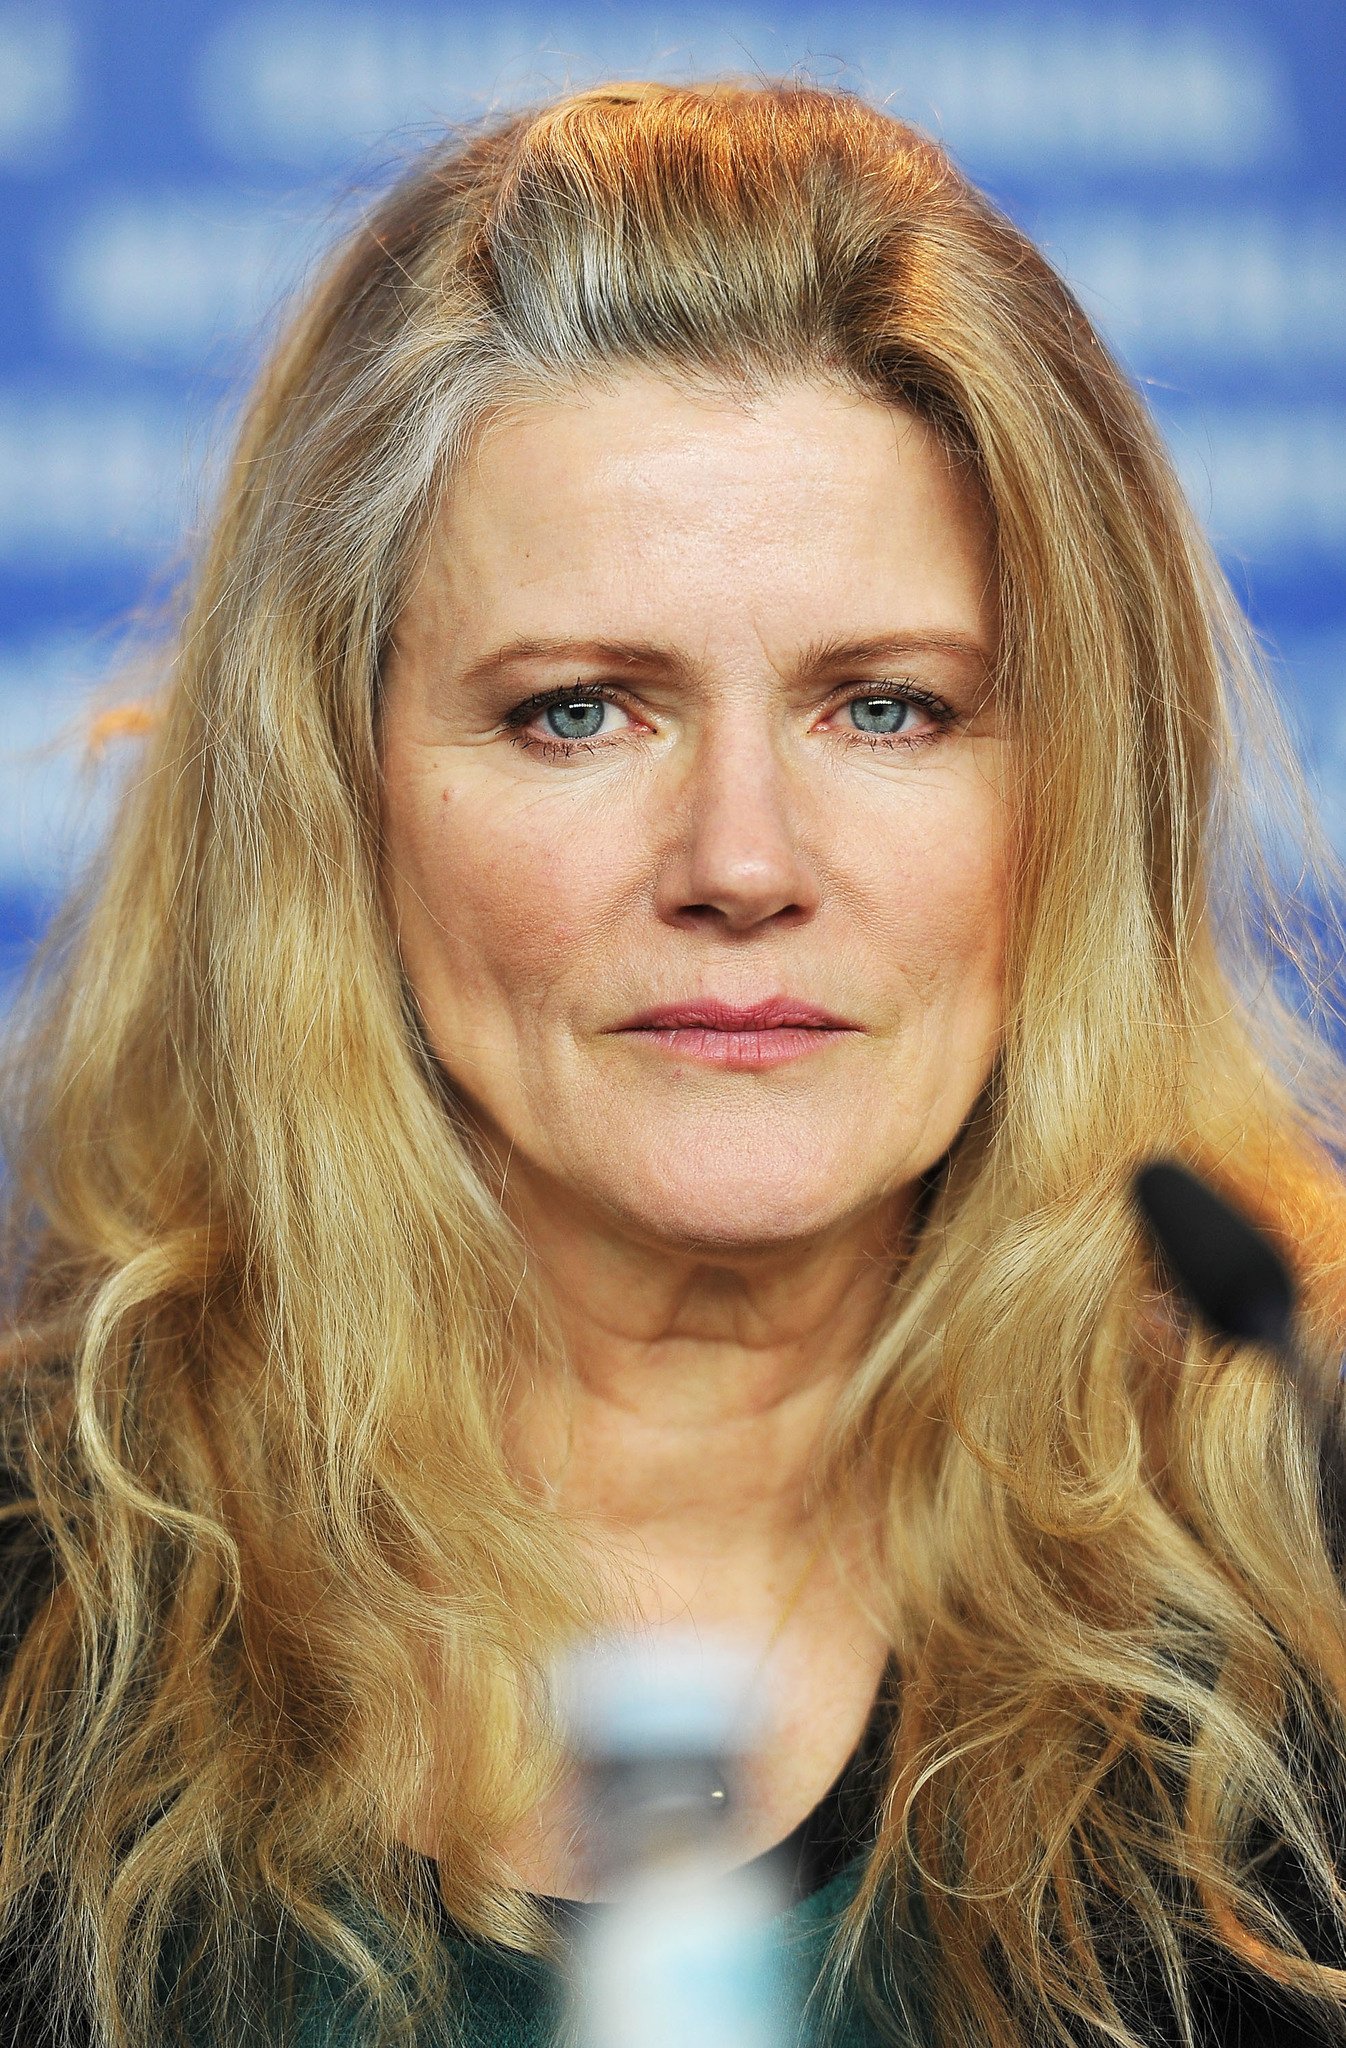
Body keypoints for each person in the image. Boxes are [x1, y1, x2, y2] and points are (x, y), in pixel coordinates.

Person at [2, 74, 1346, 2048]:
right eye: (577, 712)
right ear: (335, 799)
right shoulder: (41, 1598)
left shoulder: (1299, 1564)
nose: (740, 861)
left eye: (887, 709)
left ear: (1084, 794)